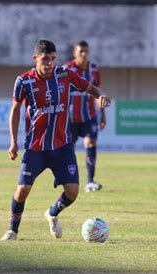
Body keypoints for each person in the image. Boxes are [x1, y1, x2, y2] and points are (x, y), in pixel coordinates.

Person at [0, 40, 111, 241]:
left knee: (73, 192)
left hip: (62, 147)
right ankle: (13, 230)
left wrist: (101, 96)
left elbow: (91, 88)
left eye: (52, 59)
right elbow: (15, 111)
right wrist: (13, 142)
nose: (50, 63)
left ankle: (52, 213)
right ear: (35, 59)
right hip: (36, 148)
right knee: (22, 190)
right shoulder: (23, 81)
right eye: (45, 59)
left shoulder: (65, 74)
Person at [65, 40, 106, 192]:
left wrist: (103, 115)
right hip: (70, 118)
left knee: (90, 143)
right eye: (81, 51)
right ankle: (69, 180)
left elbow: (99, 93)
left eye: (86, 51)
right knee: (69, 149)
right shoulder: (66, 69)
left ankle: (90, 181)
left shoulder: (94, 69)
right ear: (74, 53)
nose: (84, 54)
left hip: (89, 116)